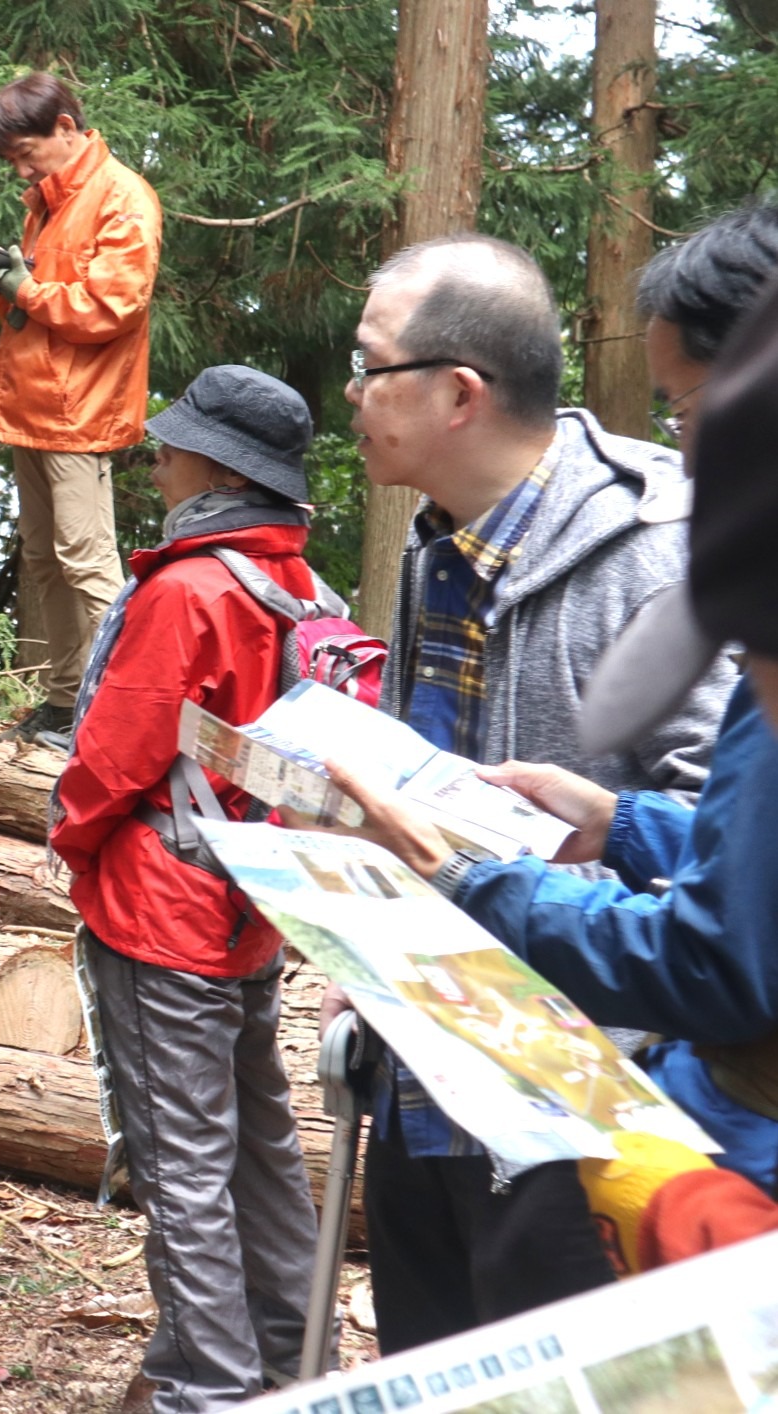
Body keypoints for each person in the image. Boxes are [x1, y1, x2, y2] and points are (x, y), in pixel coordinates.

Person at [321, 206, 778, 1260]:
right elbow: (740, 843)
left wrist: (462, 884)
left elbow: (724, 946)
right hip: (432, 1071)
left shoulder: (673, 554)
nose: (348, 389)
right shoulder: (427, 552)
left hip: (593, 1117)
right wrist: (618, 824)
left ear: (457, 390)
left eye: (369, 361)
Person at [49, 365, 323, 1414]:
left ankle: (203, 1391)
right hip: (254, 908)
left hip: (162, 912)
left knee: (184, 1167)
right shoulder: (299, 586)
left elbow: (113, 758)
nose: (156, 455)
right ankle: (297, 1368)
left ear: (219, 467)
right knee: (261, 1150)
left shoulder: (188, 589)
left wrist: (71, 846)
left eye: (174, 442)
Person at [0, 72, 161, 739]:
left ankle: (121, 712)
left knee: (87, 558)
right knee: (44, 556)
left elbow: (111, 308)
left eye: (26, 151)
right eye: (12, 160)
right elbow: (35, 309)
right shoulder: (47, 201)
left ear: (67, 129)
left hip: (81, 410)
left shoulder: (122, 198)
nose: (20, 167)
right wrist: (6, 282)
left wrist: (26, 289)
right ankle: (62, 700)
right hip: (34, 404)